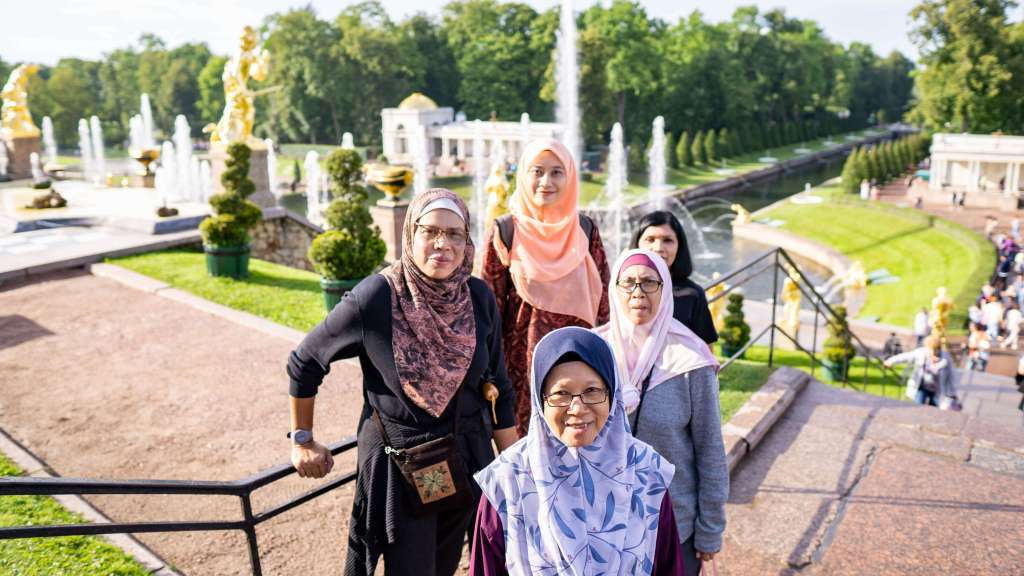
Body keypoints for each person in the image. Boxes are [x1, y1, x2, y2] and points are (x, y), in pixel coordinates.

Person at [286, 189, 519, 576]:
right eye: (430, 231)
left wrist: (513, 465)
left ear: (468, 240)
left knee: (447, 564)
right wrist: (302, 439)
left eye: (455, 233)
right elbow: (305, 361)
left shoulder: (477, 297)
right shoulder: (377, 297)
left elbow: (498, 384)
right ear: (410, 234)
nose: (442, 244)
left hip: (467, 457)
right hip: (405, 465)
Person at [470, 327, 687, 575]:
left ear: (612, 395)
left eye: (592, 391)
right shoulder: (508, 480)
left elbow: (669, 566)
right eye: (561, 393)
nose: (577, 408)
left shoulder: (646, 472)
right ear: (540, 399)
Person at [594, 249, 728, 575]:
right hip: (601, 522)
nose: (638, 293)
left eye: (649, 283)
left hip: (672, 524)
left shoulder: (689, 361)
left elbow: (710, 450)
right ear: (615, 289)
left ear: (664, 288)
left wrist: (710, 528)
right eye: (628, 283)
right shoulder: (594, 353)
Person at [482, 138, 611, 436]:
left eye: (556, 172)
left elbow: (603, 303)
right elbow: (489, 311)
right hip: (521, 369)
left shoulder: (584, 230)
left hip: (579, 362)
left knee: (579, 441)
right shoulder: (505, 232)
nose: (546, 181)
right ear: (524, 175)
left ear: (570, 177)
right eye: (537, 171)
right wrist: (490, 373)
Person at [631, 210, 719, 345]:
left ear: (679, 246)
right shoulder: (622, 289)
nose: (658, 248)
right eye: (650, 240)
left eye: (668, 240)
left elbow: (706, 350)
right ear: (637, 244)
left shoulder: (693, 295)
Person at [884, 336, 956, 407]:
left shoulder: (945, 357)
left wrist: (952, 393)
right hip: (921, 386)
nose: (932, 352)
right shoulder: (921, 352)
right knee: (918, 406)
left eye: (936, 350)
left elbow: (950, 376)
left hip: (937, 390)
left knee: (934, 409)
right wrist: (890, 361)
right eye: (930, 350)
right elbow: (906, 356)